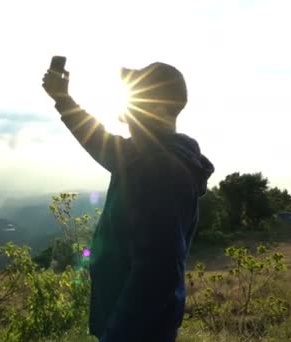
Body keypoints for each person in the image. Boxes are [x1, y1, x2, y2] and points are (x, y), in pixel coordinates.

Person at [42, 61, 214, 341]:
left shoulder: (160, 169)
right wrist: (62, 99)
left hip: (137, 331)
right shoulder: (142, 156)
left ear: (158, 106)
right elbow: (98, 140)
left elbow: (157, 272)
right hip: (132, 323)